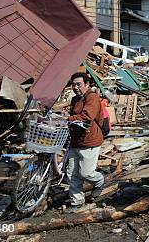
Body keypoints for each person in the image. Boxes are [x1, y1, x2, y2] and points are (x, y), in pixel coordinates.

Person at [65, 72, 105, 213]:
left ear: (87, 84)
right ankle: (77, 202)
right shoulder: (75, 99)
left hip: (90, 141)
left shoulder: (92, 97)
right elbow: (73, 116)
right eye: (73, 84)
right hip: (75, 141)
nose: (75, 87)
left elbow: (87, 116)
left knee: (86, 173)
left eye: (78, 84)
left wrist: (68, 119)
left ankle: (99, 181)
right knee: (72, 174)